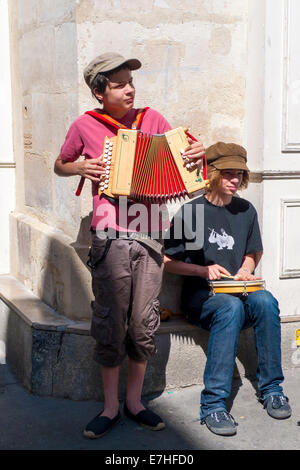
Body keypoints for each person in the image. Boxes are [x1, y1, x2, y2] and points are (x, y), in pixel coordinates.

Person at [54, 52, 205, 438]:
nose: (130, 89)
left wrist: (195, 156)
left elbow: (183, 162)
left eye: (131, 82)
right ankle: (109, 407)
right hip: (110, 236)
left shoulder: (152, 120)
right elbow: (60, 163)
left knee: (143, 323)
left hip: (151, 236)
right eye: (119, 83)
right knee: (110, 323)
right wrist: (79, 167)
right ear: (99, 91)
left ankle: (135, 403)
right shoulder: (85, 125)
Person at [163, 142, 292, 436]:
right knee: (230, 307)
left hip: (239, 293)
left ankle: (272, 388)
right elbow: (167, 261)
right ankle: (213, 406)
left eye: (239, 174)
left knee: (266, 301)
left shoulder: (246, 210)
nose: (235, 180)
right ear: (212, 173)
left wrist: (247, 269)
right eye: (228, 173)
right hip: (202, 300)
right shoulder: (191, 211)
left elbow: (253, 251)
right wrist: (202, 269)